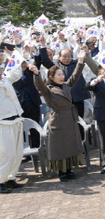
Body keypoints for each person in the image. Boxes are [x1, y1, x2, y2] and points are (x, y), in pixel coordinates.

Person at [30, 49, 87, 181]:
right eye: (58, 75)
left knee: (70, 145)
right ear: (51, 77)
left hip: (70, 119)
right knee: (60, 148)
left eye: (62, 74)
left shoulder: (66, 85)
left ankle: (69, 169)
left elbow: (75, 76)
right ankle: (61, 171)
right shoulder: (48, 90)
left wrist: (80, 61)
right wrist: (37, 74)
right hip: (58, 121)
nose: (62, 77)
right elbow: (39, 85)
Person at [0, 56, 26, 193]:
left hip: (16, 119)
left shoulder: (5, 79)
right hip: (2, 123)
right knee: (5, 154)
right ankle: (0, 180)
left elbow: (15, 73)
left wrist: (16, 54)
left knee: (17, 153)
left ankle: (11, 177)